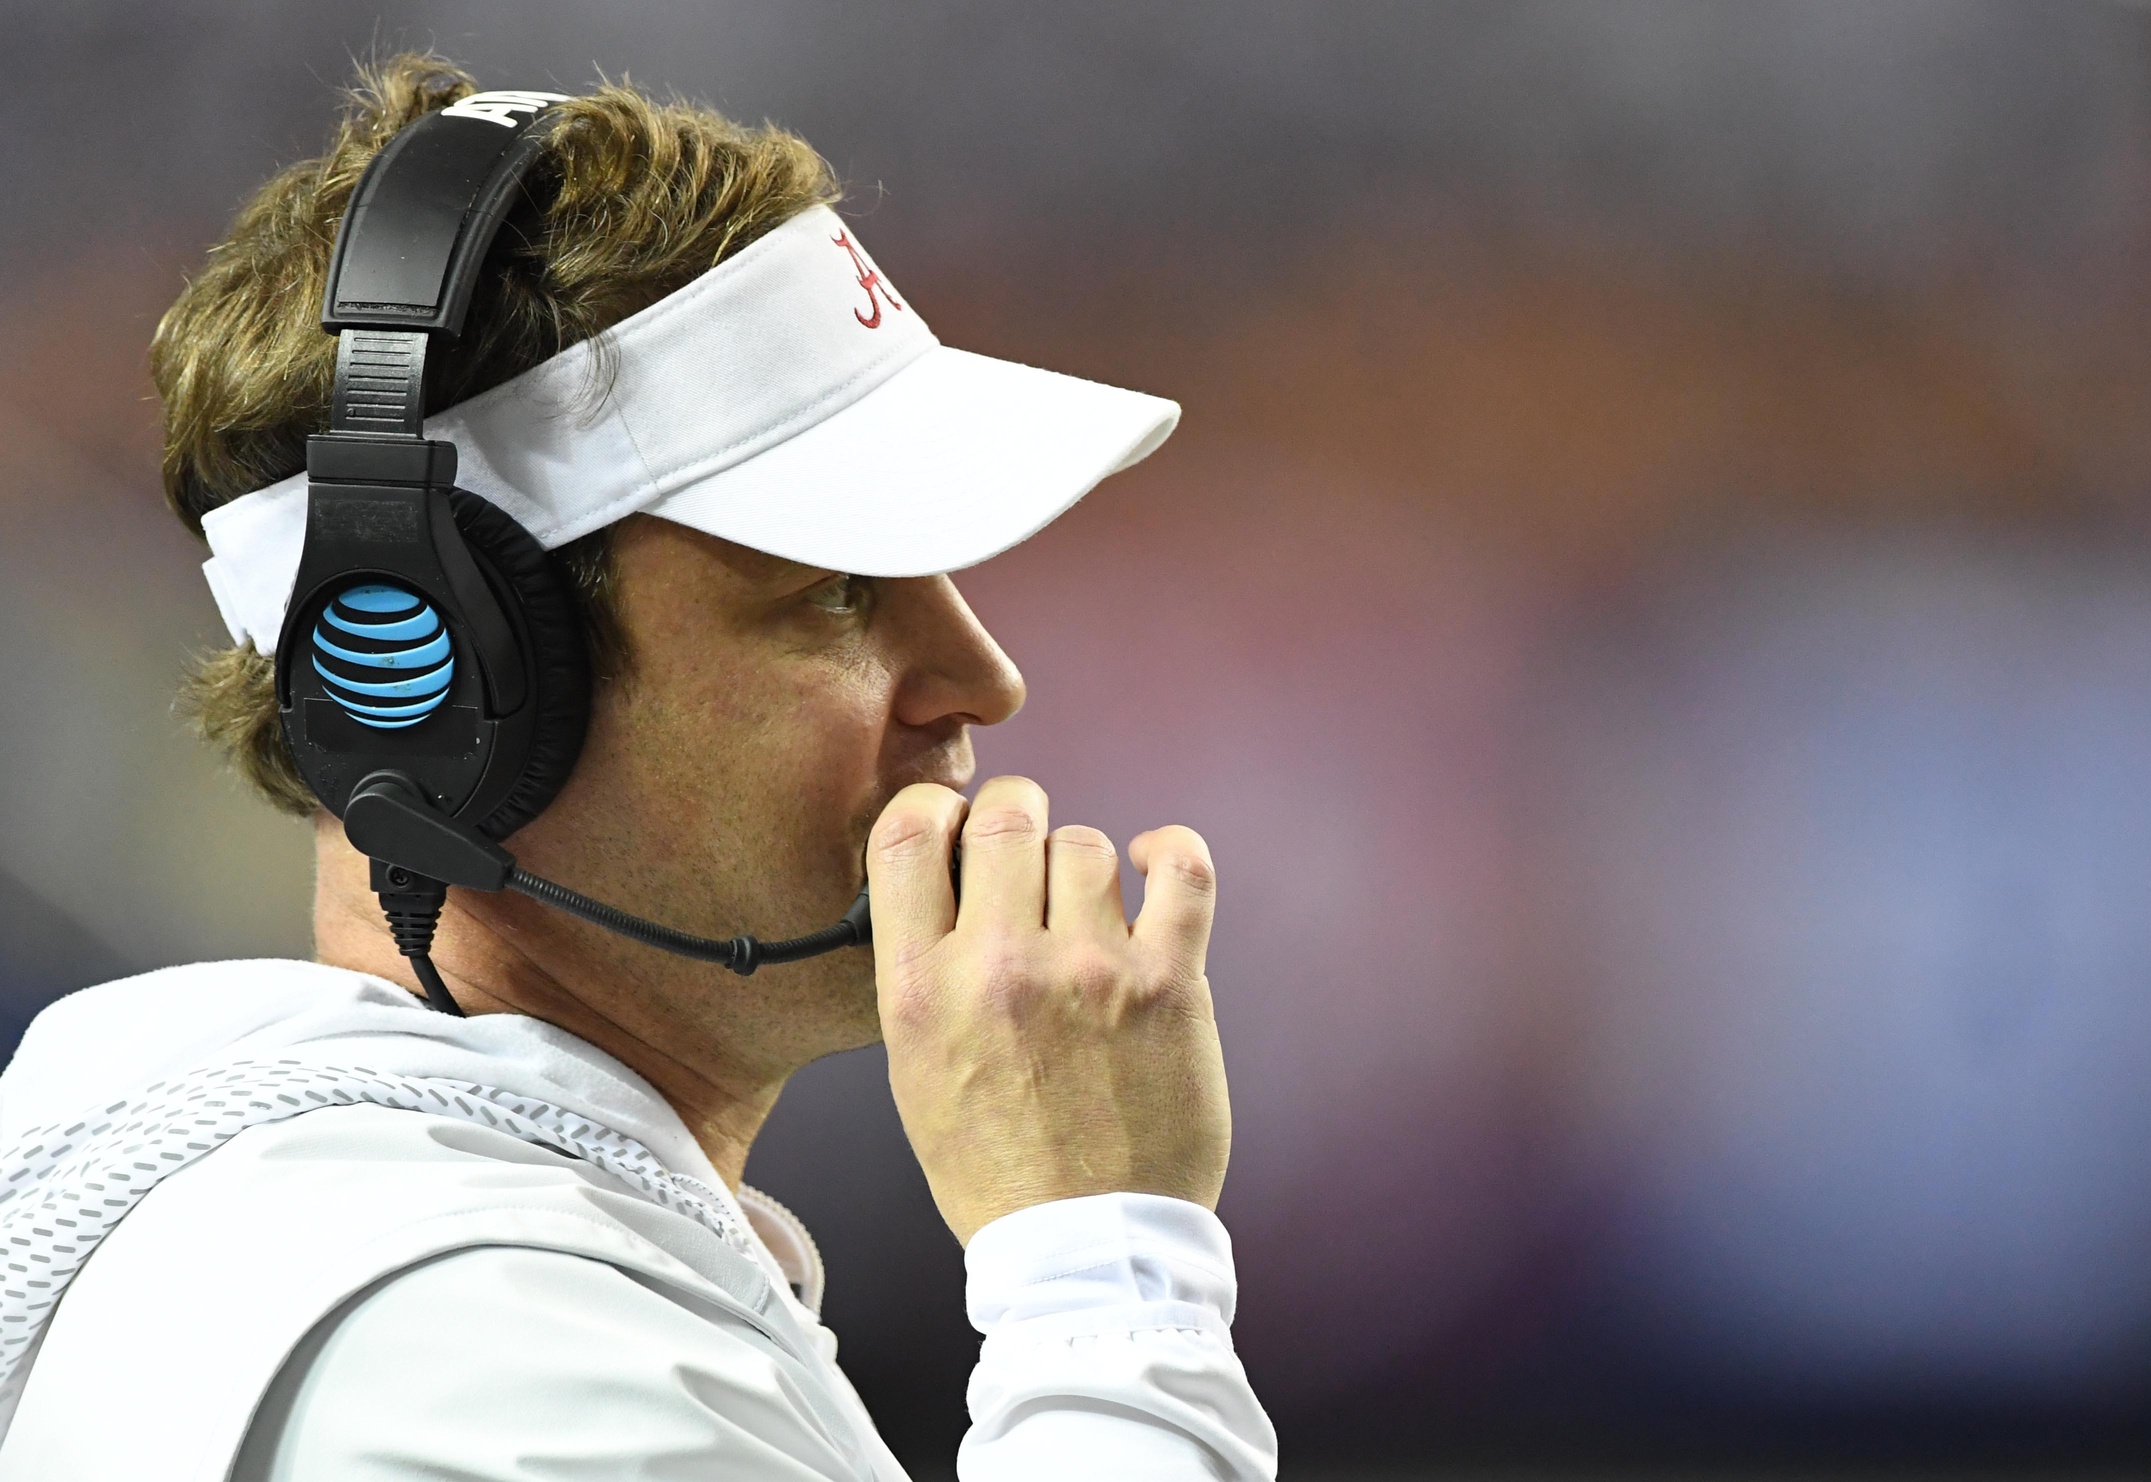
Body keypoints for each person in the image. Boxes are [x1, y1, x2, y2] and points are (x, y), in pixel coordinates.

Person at [0, 57, 1275, 1482]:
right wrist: (1102, 1273)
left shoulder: (400, 1253)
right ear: (446, 688)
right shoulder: (471, 1360)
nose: (983, 676)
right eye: (836, 595)